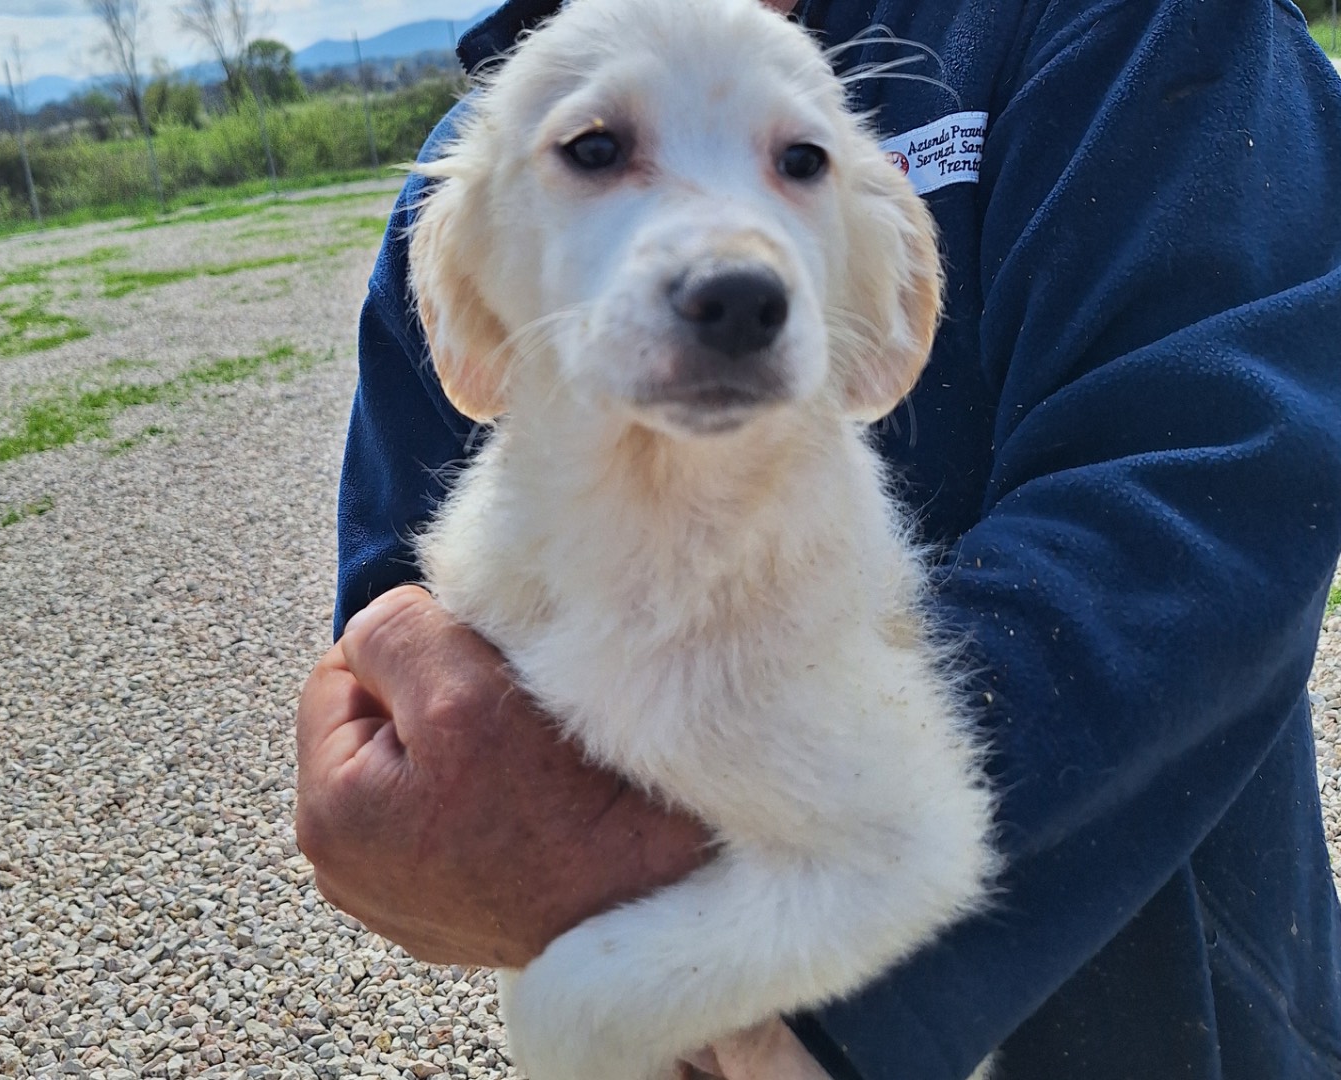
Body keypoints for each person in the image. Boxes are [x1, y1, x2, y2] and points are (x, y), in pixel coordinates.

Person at [294, 0, 1341, 1076]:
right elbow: (402, 600)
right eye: (598, 152)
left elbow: (1226, 466)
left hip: (1144, 1015)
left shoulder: (1136, 22)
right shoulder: (486, 142)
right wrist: (406, 765)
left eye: (798, 161)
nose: (729, 263)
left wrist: (761, 940)